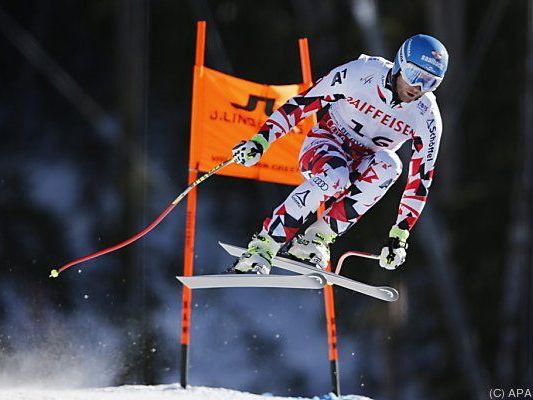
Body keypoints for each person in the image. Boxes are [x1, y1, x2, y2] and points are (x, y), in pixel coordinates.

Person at [229, 34, 448, 274]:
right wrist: (261, 140)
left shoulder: (426, 116)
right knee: (336, 175)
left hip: (363, 164)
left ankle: (315, 239)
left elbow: (420, 181)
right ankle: (263, 245)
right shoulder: (362, 73)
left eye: (430, 83)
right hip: (325, 143)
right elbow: (302, 104)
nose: (418, 88)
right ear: (400, 64)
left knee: (391, 165)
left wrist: (400, 234)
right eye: (416, 76)